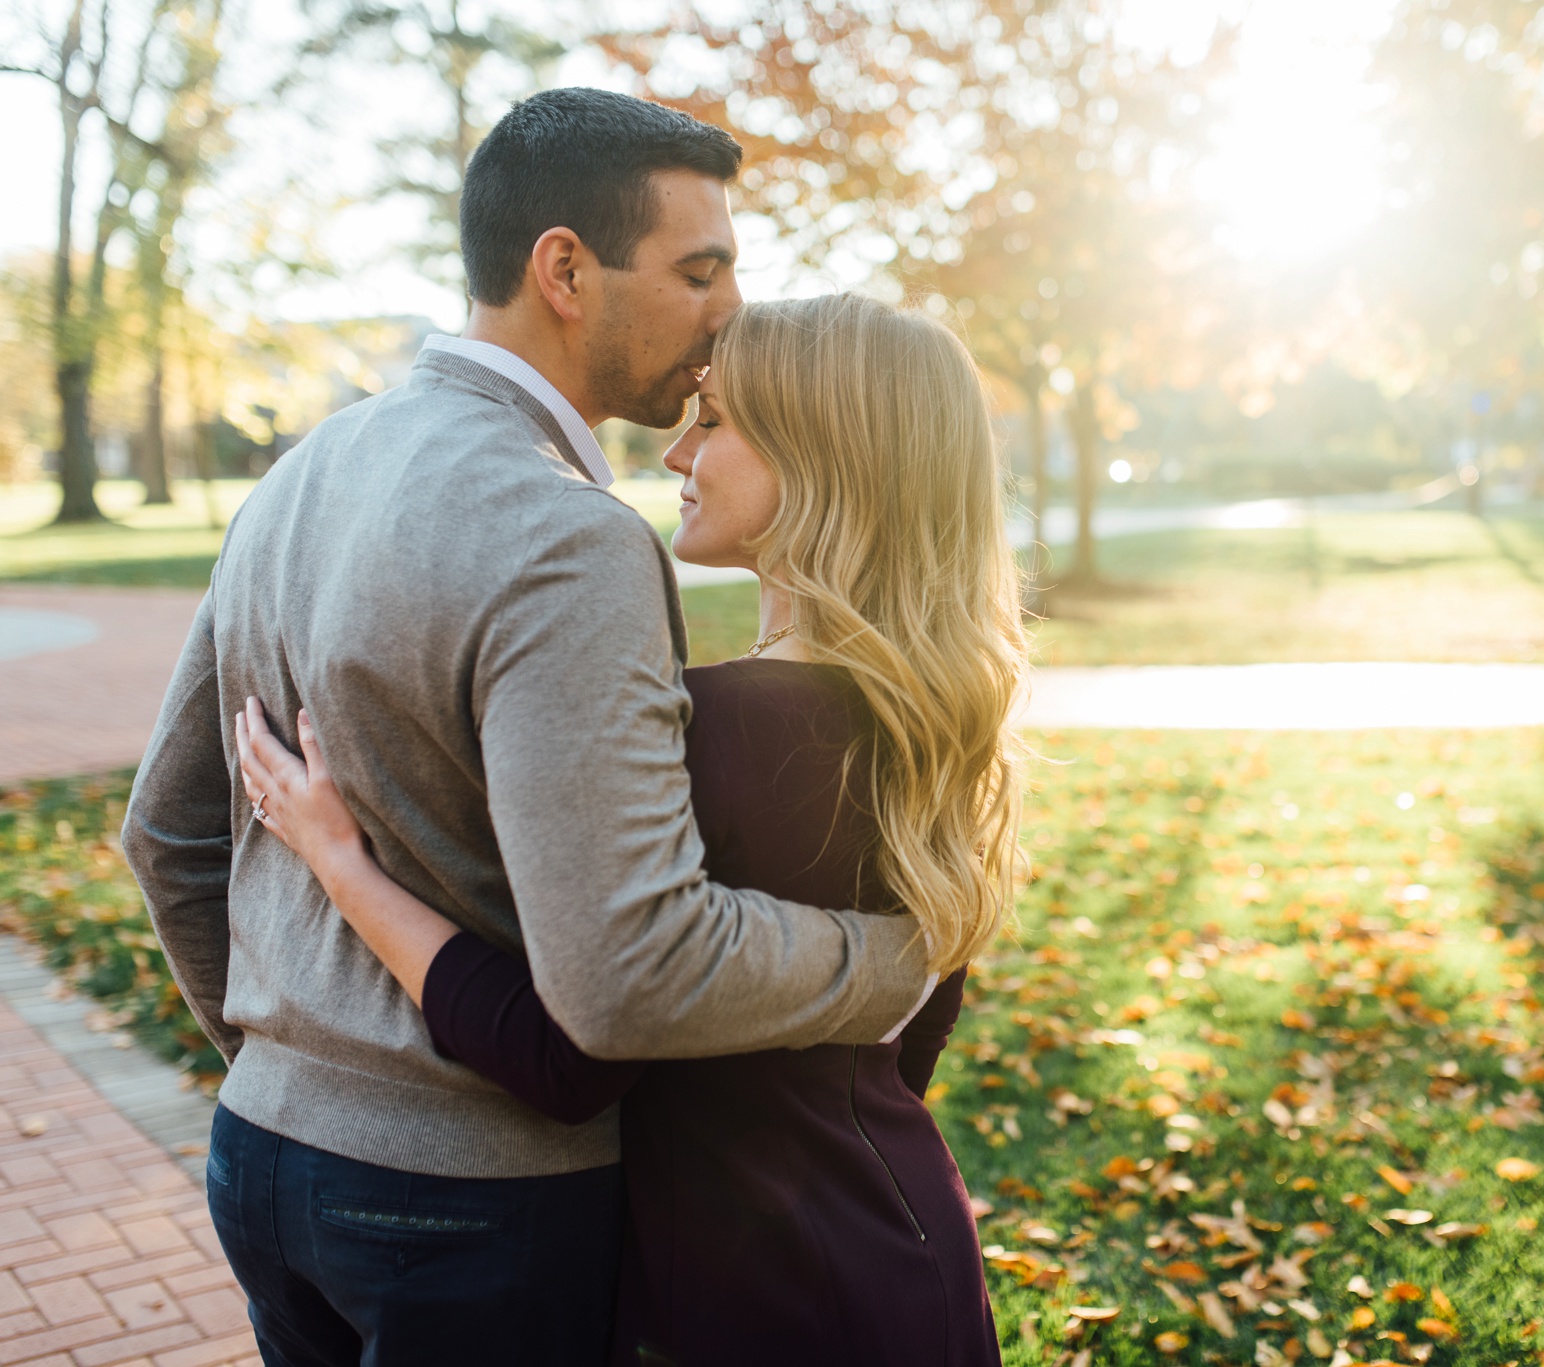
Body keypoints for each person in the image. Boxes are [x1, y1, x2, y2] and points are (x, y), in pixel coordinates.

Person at [120, 90, 935, 1367]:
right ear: (564, 267)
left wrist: (286, 1063)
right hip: (474, 1205)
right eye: (698, 269)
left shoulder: (300, 473)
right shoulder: (570, 536)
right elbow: (627, 972)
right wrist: (897, 961)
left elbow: (166, 826)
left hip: (261, 1158)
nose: (726, 312)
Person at [237, 292, 1025, 1365]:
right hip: (903, 1243)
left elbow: (567, 1055)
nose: (675, 453)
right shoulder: (934, 716)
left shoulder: (712, 731)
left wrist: (342, 863)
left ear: (822, 459)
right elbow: (916, 1037)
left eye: (715, 420)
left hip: (747, 1296)